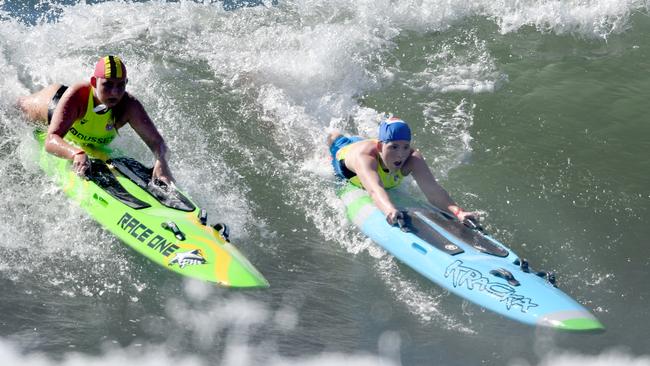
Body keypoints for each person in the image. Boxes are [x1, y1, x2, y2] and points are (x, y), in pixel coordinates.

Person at [17, 55, 174, 184]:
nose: (114, 92)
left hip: (79, 125)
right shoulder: (78, 96)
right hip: (50, 106)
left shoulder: (129, 106)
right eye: (107, 85)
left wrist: (161, 161)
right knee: (15, 110)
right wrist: (75, 153)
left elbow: (157, 143)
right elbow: (51, 140)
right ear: (94, 82)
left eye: (120, 85)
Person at [328, 116, 478, 226]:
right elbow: (374, 190)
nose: (401, 154)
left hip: (375, 145)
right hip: (346, 152)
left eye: (405, 146)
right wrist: (389, 210)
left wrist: (459, 212)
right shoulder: (365, 158)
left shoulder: (412, 158)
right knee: (335, 138)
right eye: (394, 147)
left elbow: (433, 190)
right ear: (381, 147)